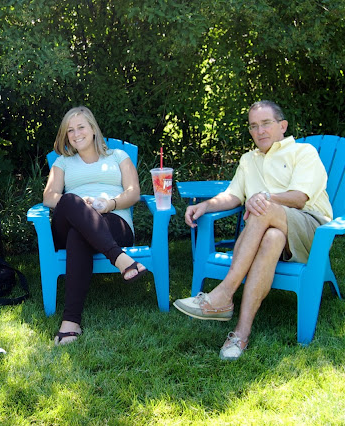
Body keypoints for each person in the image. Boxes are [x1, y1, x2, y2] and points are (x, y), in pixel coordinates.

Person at [173, 100, 332, 360]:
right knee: (272, 236)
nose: (260, 131)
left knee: (261, 206)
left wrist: (263, 197)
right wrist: (206, 205)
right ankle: (240, 334)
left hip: (310, 229)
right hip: (272, 233)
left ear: (282, 126)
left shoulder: (303, 152)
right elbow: (233, 196)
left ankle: (224, 294)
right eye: (253, 126)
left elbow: (299, 198)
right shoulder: (248, 160)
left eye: (266, 123)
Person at [42, 106, 148, 345]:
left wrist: (109, 204)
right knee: (70, 201)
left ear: (93, 129)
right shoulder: (63, 162)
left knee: (78, 235)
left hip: (114, 222)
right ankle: (120, 259)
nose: (76, 134)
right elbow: (49, 197)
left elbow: (133, 192)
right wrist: (81, 205)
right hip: (70, 218)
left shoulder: (118, 156)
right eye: (70, 130)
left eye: (81, 127)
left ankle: (71, 322)